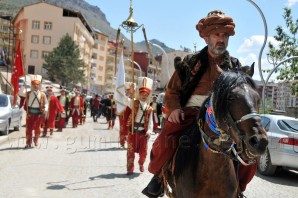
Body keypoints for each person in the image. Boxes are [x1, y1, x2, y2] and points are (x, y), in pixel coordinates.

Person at [144, 10, 255, 197]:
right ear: (206, 38)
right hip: (190, 114)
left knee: (251, 149)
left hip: (222, 117)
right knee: (165, 140)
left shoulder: (235, 66)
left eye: (224, 35)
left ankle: (239, 188)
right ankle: (159, 176)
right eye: (216, 34)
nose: (221, 39)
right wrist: (174, 109)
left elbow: (242, 96)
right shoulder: (190, 62)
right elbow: (172, 91)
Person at [126, 77, 153, 175]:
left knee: (143, 153)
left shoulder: (150, 108)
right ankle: (130, 168)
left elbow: (150, 122)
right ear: (139, 94)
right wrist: (130, 92)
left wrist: (149, 131)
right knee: (130, 151)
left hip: (143, 133)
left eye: (146, 95)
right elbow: (126, 100)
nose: (144, 96)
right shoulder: (134, 102)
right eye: (142, 94)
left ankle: (141, 163)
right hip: (133, 131)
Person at [20, 75, 47, 148]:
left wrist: (45, 109)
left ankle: (36, 140)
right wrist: (23, 86)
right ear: (32, 85)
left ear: (39, 86)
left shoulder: (42, 94)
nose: (36, 86)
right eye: (34, 84)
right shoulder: (28, 93)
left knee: (37, 128)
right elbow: (21, 93)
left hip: (38, 114)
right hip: (29, 114)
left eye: (37, 84)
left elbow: (46, 103)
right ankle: (28, 142)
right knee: (28, 128)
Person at [118, 82, 134, 148]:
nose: (128, 92)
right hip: (123, 115)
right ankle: (122, 143)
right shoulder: (122, 97)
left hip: (130, 116)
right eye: (127, 90)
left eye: (129, 90)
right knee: (122, 129)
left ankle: (129, 143)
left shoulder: (133, 99)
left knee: (129, 130)